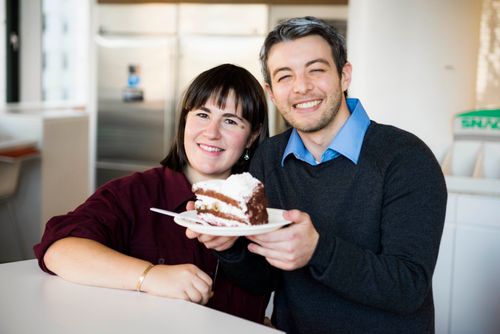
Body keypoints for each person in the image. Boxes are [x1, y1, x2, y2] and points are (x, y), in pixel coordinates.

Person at [187, 17, 447, 333]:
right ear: (271, 91)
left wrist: (318, 251)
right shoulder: (269, 157)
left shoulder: (404, 157)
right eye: (285, 76)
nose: (301, 86)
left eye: (316, 70)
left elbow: (409, 287)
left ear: (344, 75)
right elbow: (264, 279)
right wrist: (228, 246)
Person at [33, 64, 270, 323]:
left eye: (230, 121)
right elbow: (59, 250)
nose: (211, 132)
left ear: (251, 136)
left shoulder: (265, 206)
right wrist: (150, 275)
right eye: (202, 115)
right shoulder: (136, 192)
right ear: (184, 120)